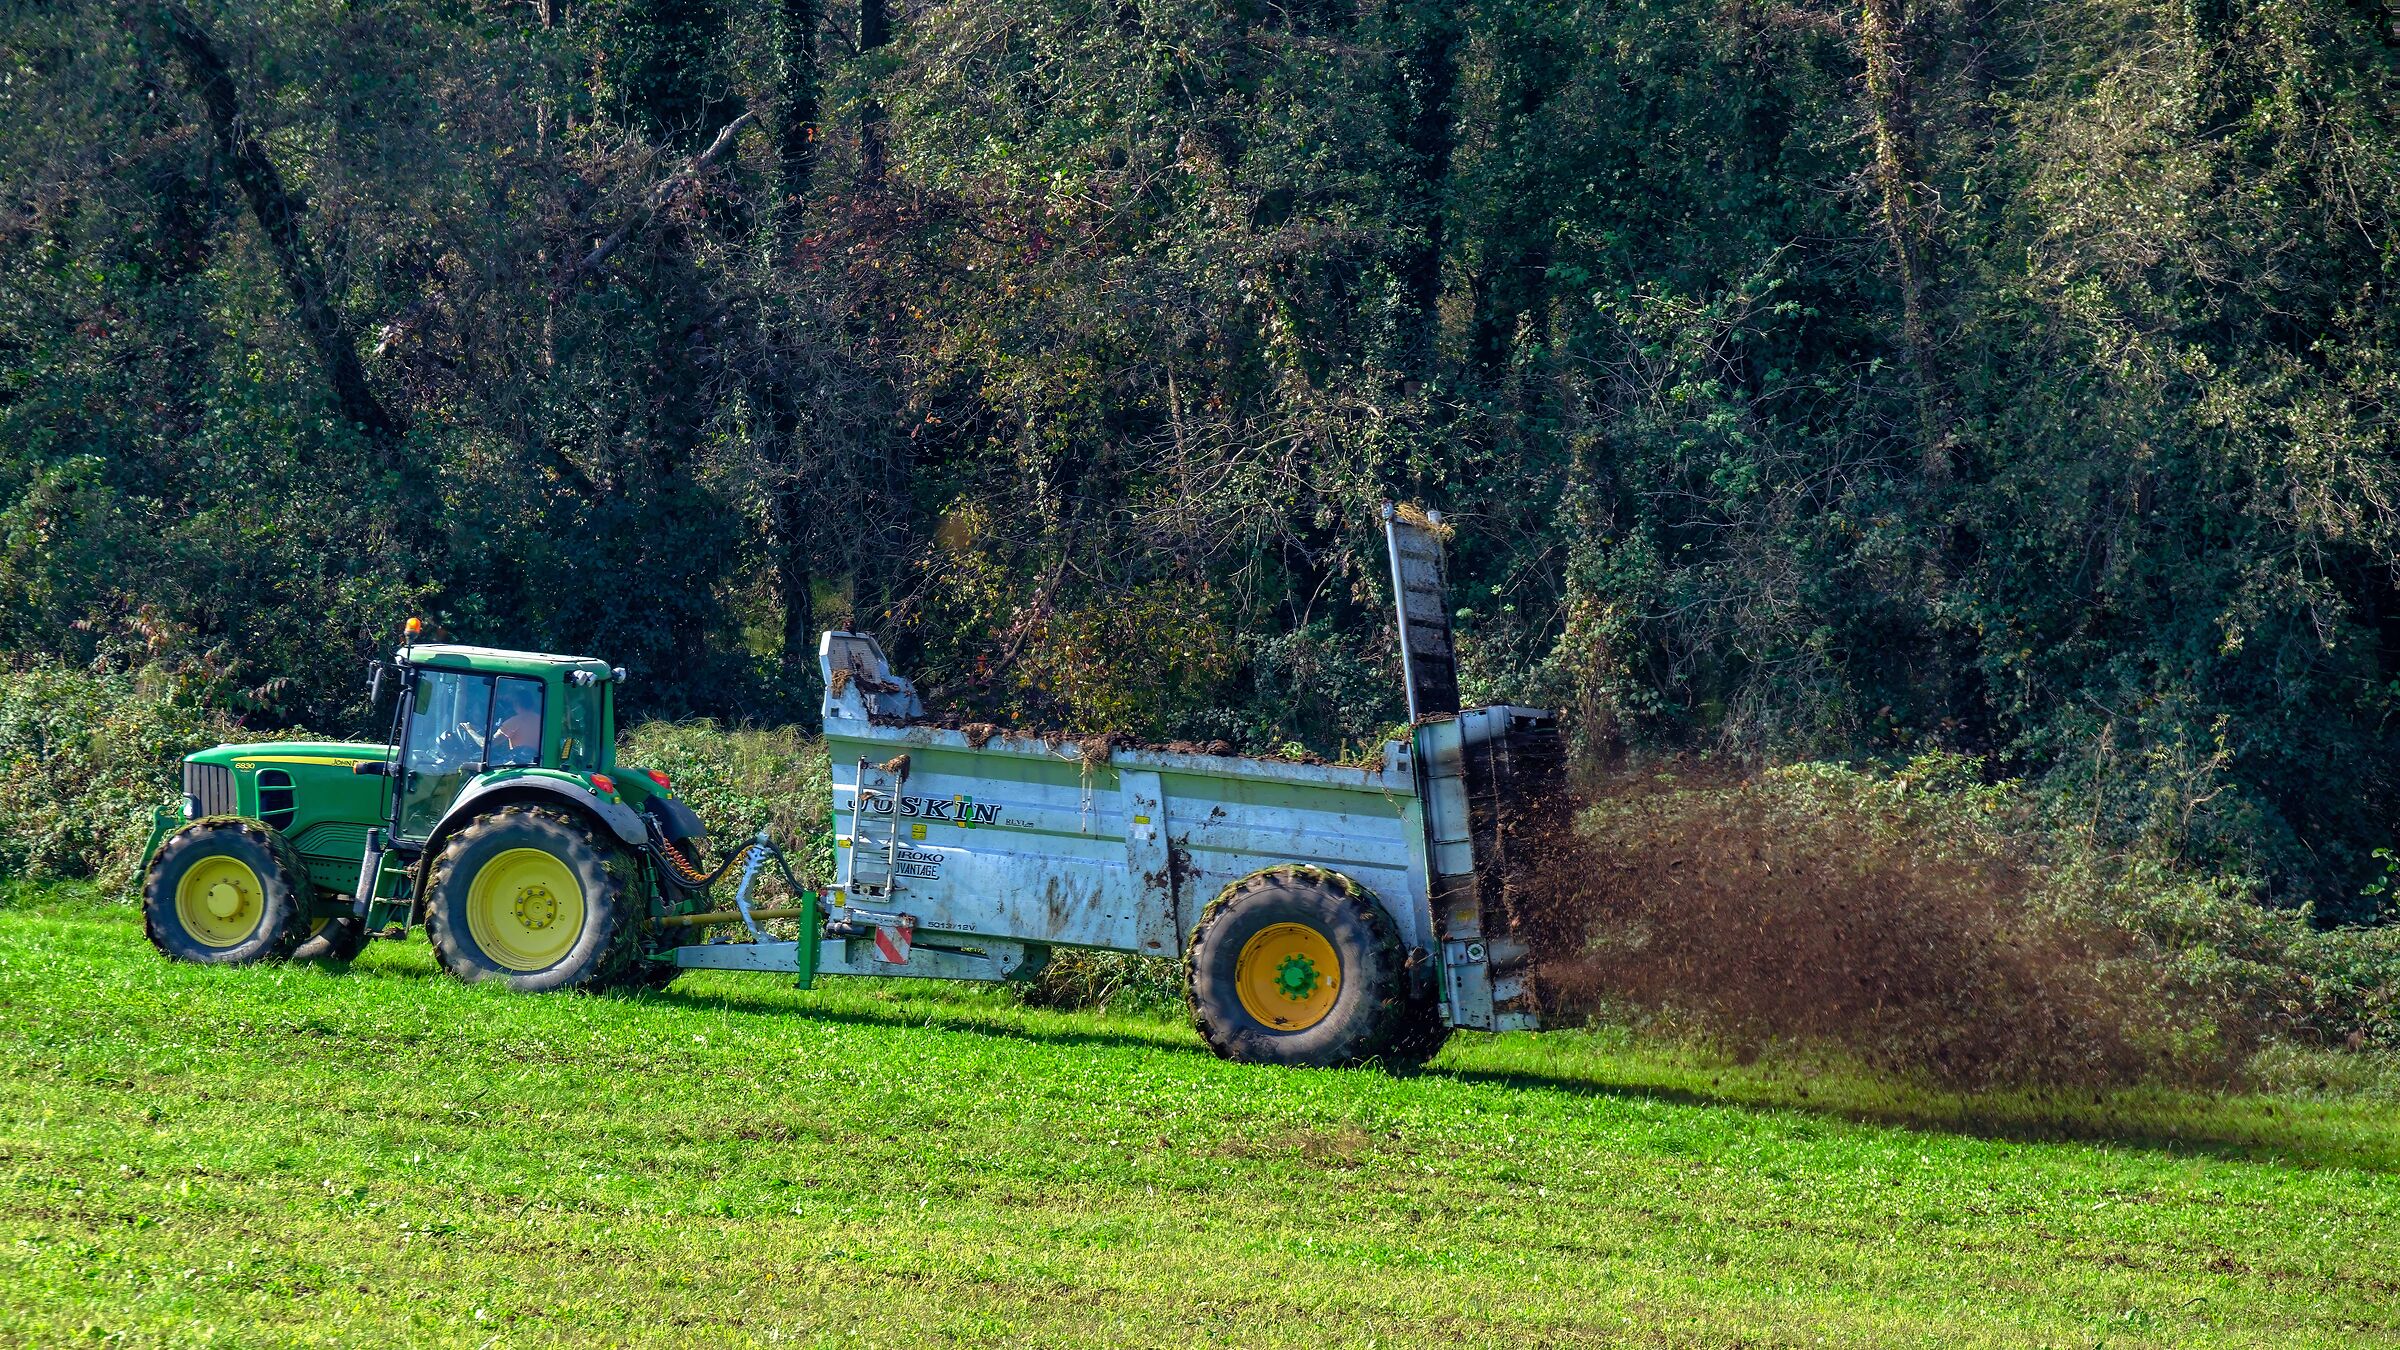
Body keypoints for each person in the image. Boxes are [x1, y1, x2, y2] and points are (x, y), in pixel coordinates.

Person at [489, 682, 543, 766]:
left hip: (520, 764)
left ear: (516, 703)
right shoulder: (542, 720)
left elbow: (489, 744)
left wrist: (470, 730)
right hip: (537, 763)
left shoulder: (514, 721)